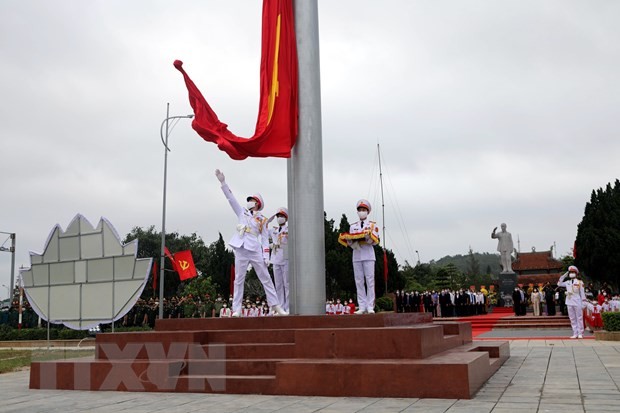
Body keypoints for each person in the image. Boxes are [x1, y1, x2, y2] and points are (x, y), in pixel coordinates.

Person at [214, 169, 287, 317]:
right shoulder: (242, 212)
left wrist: (266, 256)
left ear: (257, 204)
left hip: (254, 249)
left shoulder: (263, 219)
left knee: (265, 278)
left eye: (251, 200)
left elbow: (265, 239)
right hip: (241, 247)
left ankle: (276, 305)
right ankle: (237, 309)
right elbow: (231, 199)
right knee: (238, 279)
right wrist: (223, 182)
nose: (248, 202)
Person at [339, 199, 380, 314]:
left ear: (367, 212)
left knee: (370, 281)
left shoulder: (372, 225)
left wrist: (368, 238)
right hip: (357, 254)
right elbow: (351, 240)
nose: (361, 212)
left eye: (363, 210)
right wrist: (350, 242)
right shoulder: (353, 226)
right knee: (359, 281)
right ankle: (361, 306)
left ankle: (370, 306)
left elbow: (376, 241)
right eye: (360, 210)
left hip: (368, 254)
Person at [268, 207, 290, 312]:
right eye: (278, 216)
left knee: (287, 283)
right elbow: (263, 229)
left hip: (286, 256)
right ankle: (280, 307)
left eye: (281, 216)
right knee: (278, 284)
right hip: (275, 257)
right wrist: (271, 218)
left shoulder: (289, 229)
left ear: (286, 218)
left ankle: (288, 307)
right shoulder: (273, 230)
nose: (279, 218)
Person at [558, 265, 587, 338]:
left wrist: (583, 303)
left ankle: (580, 333)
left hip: (577, 301)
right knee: (572, 318)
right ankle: (575, 333)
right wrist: (565, 274)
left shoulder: (580, 282)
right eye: (570, 272)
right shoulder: (567, 282)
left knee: (579, 318)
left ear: (576, 273)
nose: (571, 274)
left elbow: (582, 293)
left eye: (573, 272)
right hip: (569, 301)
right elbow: (559, 283)